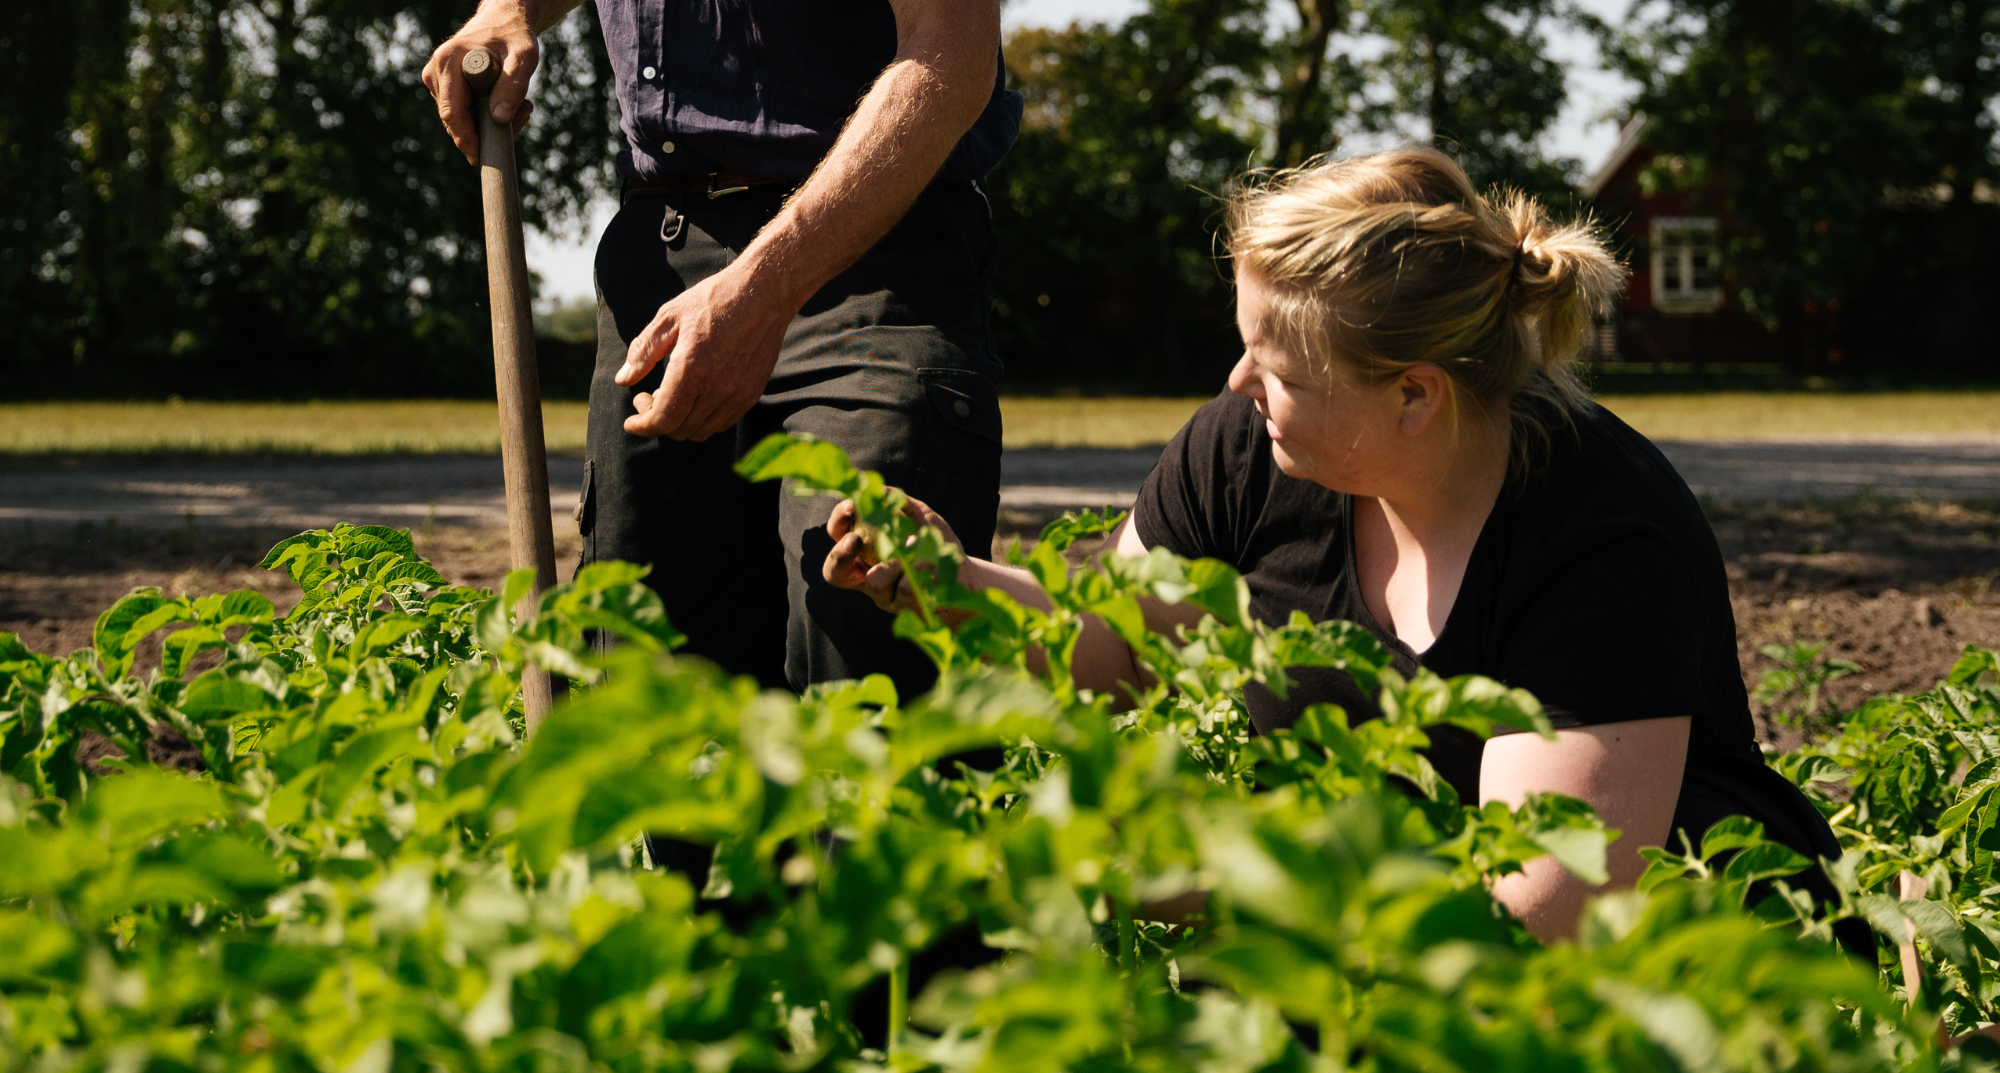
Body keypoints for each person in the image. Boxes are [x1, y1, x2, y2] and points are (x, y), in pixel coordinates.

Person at [823, 147, 1857, 945]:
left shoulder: (1603, 536)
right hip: (1369, 931)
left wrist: (1201, 889)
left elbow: (1533, 916)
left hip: (1672, 956)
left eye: (1274, 366)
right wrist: (948, 583)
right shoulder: (1245, 450)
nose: (1236, 385)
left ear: (1412, 394)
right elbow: (1118, 653)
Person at [423, 0, 1020, 696]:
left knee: (868, 624)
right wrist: (510, 8)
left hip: (876, 247)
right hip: (663, 248)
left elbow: (949, 51)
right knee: (640, 671)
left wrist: (763, 290)